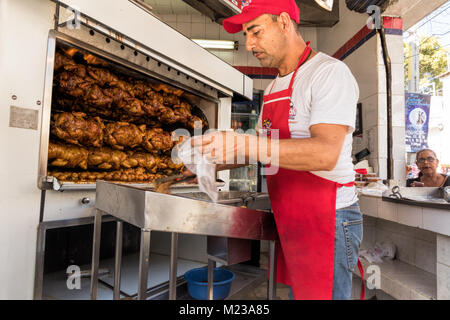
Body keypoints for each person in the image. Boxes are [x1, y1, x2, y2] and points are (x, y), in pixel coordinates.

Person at [188, 0, 362, 300]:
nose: (248, 43)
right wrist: (211, 164)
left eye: (255, 31)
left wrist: (244, 141)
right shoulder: (272, 89)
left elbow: (325, 153)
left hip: (328, 219)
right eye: (245, 35)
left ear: (284, 22)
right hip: (291, 216)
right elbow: (261, 150)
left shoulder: (329, 73)